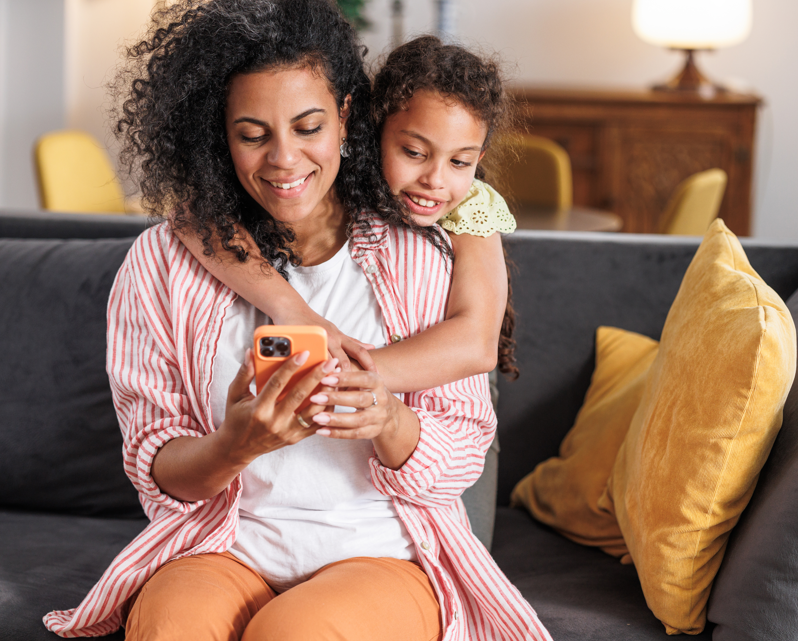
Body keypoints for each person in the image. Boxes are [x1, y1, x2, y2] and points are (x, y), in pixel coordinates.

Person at [43, 1, 551, 639]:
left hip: (381, 553)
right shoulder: (165, 261)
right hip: (222, 547)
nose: (284, 160)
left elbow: (463, 446)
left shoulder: (428, 248)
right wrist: (236, 445)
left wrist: (391, 418)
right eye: (252, 134)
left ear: (344, 114)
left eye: (308, 126)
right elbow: (157, 464)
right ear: (219, 133)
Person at [173, 35, 520, 392]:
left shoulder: (469, 203)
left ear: (476, 160)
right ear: (373, 129)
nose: (435, 180)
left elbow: (477, 345)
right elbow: (192, 217)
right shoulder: (338, 175)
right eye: (414, 152)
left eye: (459, 161)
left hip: (455, 391)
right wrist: (294, 312)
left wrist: (328, 377)